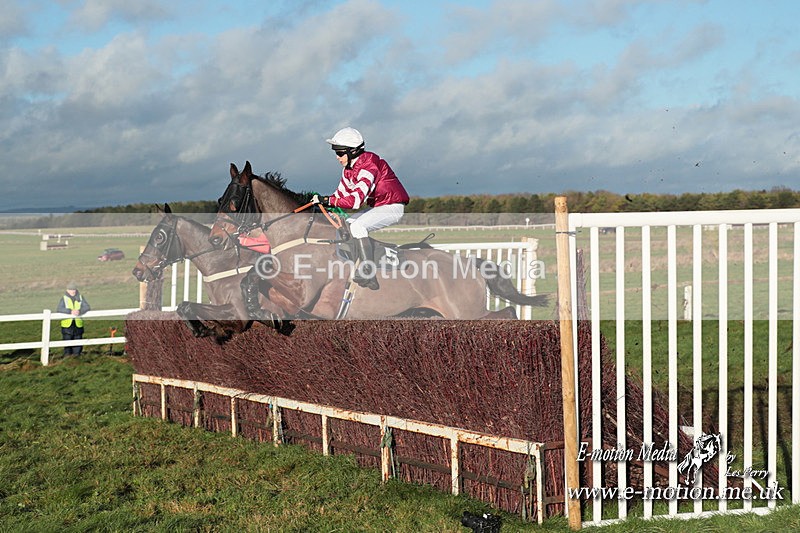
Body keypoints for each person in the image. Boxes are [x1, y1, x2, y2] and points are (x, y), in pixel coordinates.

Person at [314, 127, 409, 290]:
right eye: (335, 153)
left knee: (358, 226)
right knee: (349, 224)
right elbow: (340, 194)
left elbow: (355, 201)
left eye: (340, 153)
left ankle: (368, 272)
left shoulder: (368, 165)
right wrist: (323, 202)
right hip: (379, 206)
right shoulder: (348, 169)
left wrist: (328, 200)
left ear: (352, 152)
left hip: (392, 206)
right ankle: (356, 262)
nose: (337, 157)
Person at [56, 281, 91, 356]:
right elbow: (59, 309)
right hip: (67, 325)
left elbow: (87, 307)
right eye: (71, 289)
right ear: (67, 290)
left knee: (78, 343)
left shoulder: (81, 298)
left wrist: (80, 311)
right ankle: (67, 358)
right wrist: (70, 311)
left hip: (78, 324)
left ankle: (77, 358)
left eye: (74, 289)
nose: (73, 291)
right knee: (67, 343)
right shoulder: (64, 298)